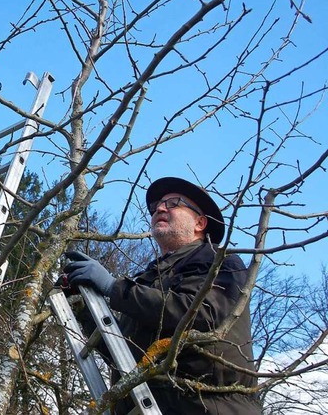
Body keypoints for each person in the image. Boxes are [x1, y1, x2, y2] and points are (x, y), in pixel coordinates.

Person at [63, 177, 261, 414]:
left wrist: (113, 288)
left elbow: (199, 315)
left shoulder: (220, 263)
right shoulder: (149, 278)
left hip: (205, 406)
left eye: (173, 203)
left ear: (200, 222)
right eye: (156, 205)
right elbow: (124, 353)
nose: (159, 208)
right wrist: (83, 305)